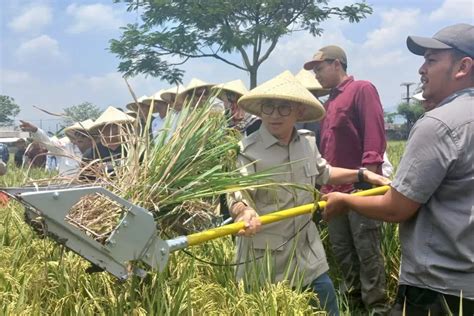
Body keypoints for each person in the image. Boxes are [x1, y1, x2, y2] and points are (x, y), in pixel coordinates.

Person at [323, 23, 474, 315]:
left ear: (462, 67)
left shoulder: (439, 124)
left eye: (431, 60)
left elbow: (397, 208)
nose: (421, 69)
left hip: (438, 287)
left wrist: (345, 200)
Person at [228, 71, 390, 316]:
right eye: (268, 107)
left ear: (299, 112)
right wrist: (244, 211)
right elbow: (236, 191)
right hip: (265, 259)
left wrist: (362, 175)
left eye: (284, 108)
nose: (274, 115)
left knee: (328, 310)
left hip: (307, 252)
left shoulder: (306, 142)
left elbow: (323, 171)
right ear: (260, 111)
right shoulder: (247, 151)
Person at [303, 45, 389, 313]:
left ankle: (376, 308)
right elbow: (325, 154)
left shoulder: (362, 90)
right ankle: (356, 308)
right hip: (333, 193)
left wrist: (369, 183)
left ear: (337, 64)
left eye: (319, 68)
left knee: (368, 255)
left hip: (357, 190)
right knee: (344, 255)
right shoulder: (327, 105)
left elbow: (374, 138)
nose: (316, 75)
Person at [20, 119, 94, 177]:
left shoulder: (100, 153)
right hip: (68, 189)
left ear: (91, 140)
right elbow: (49, 143)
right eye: (75, 139)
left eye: (80, 141)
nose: (75, 143)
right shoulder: (66, 148)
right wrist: (35, 130)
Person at [82, 106, 134, 178]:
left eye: (122, 125)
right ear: (102, 129)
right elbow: (85, 180)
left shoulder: (135, 148)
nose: (120, 128)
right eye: (114, 126)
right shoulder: (91, 154)